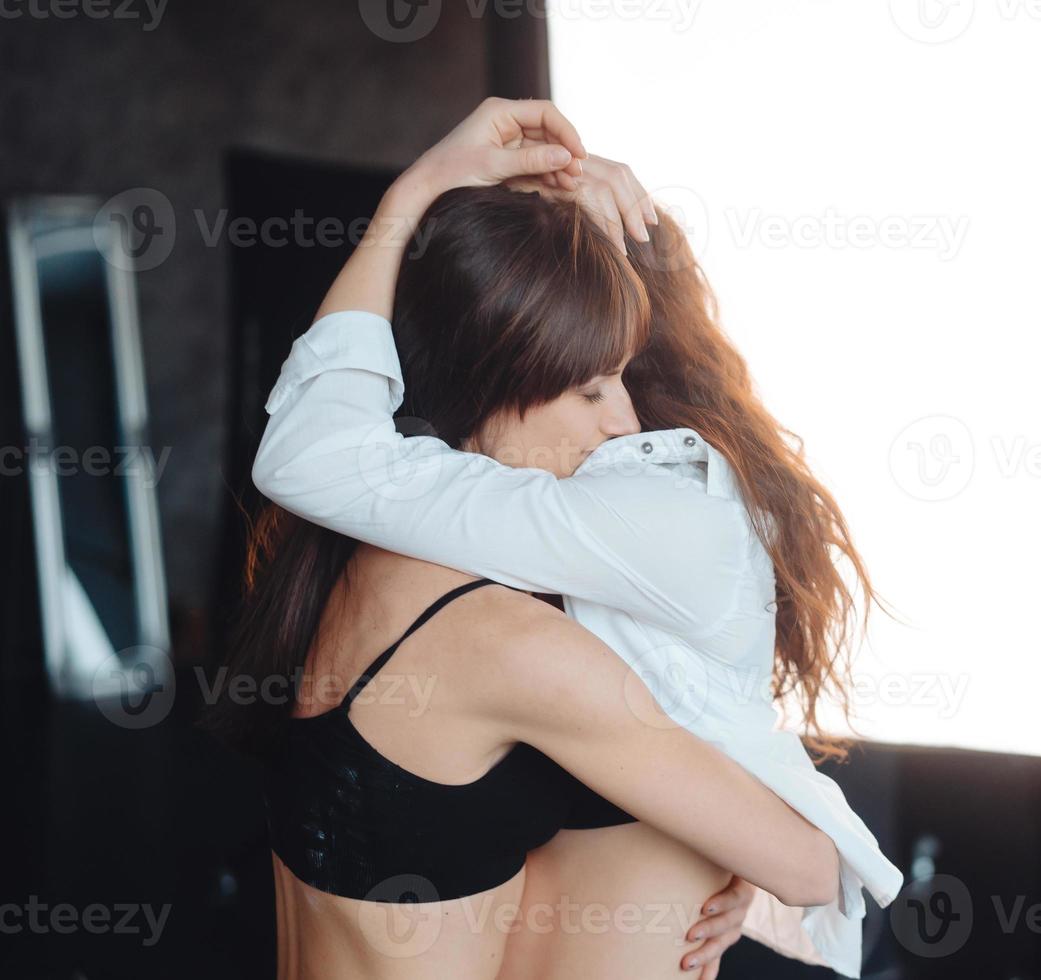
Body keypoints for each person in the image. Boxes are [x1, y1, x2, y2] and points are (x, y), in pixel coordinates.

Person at [248, 97, 902, 978]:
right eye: (591, 389)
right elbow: (814, 866)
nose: (624, 425)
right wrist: (740, 835)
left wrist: (422, 197)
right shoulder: (523, 648)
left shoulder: (362, 567)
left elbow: (326, 443)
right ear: (492, 377)